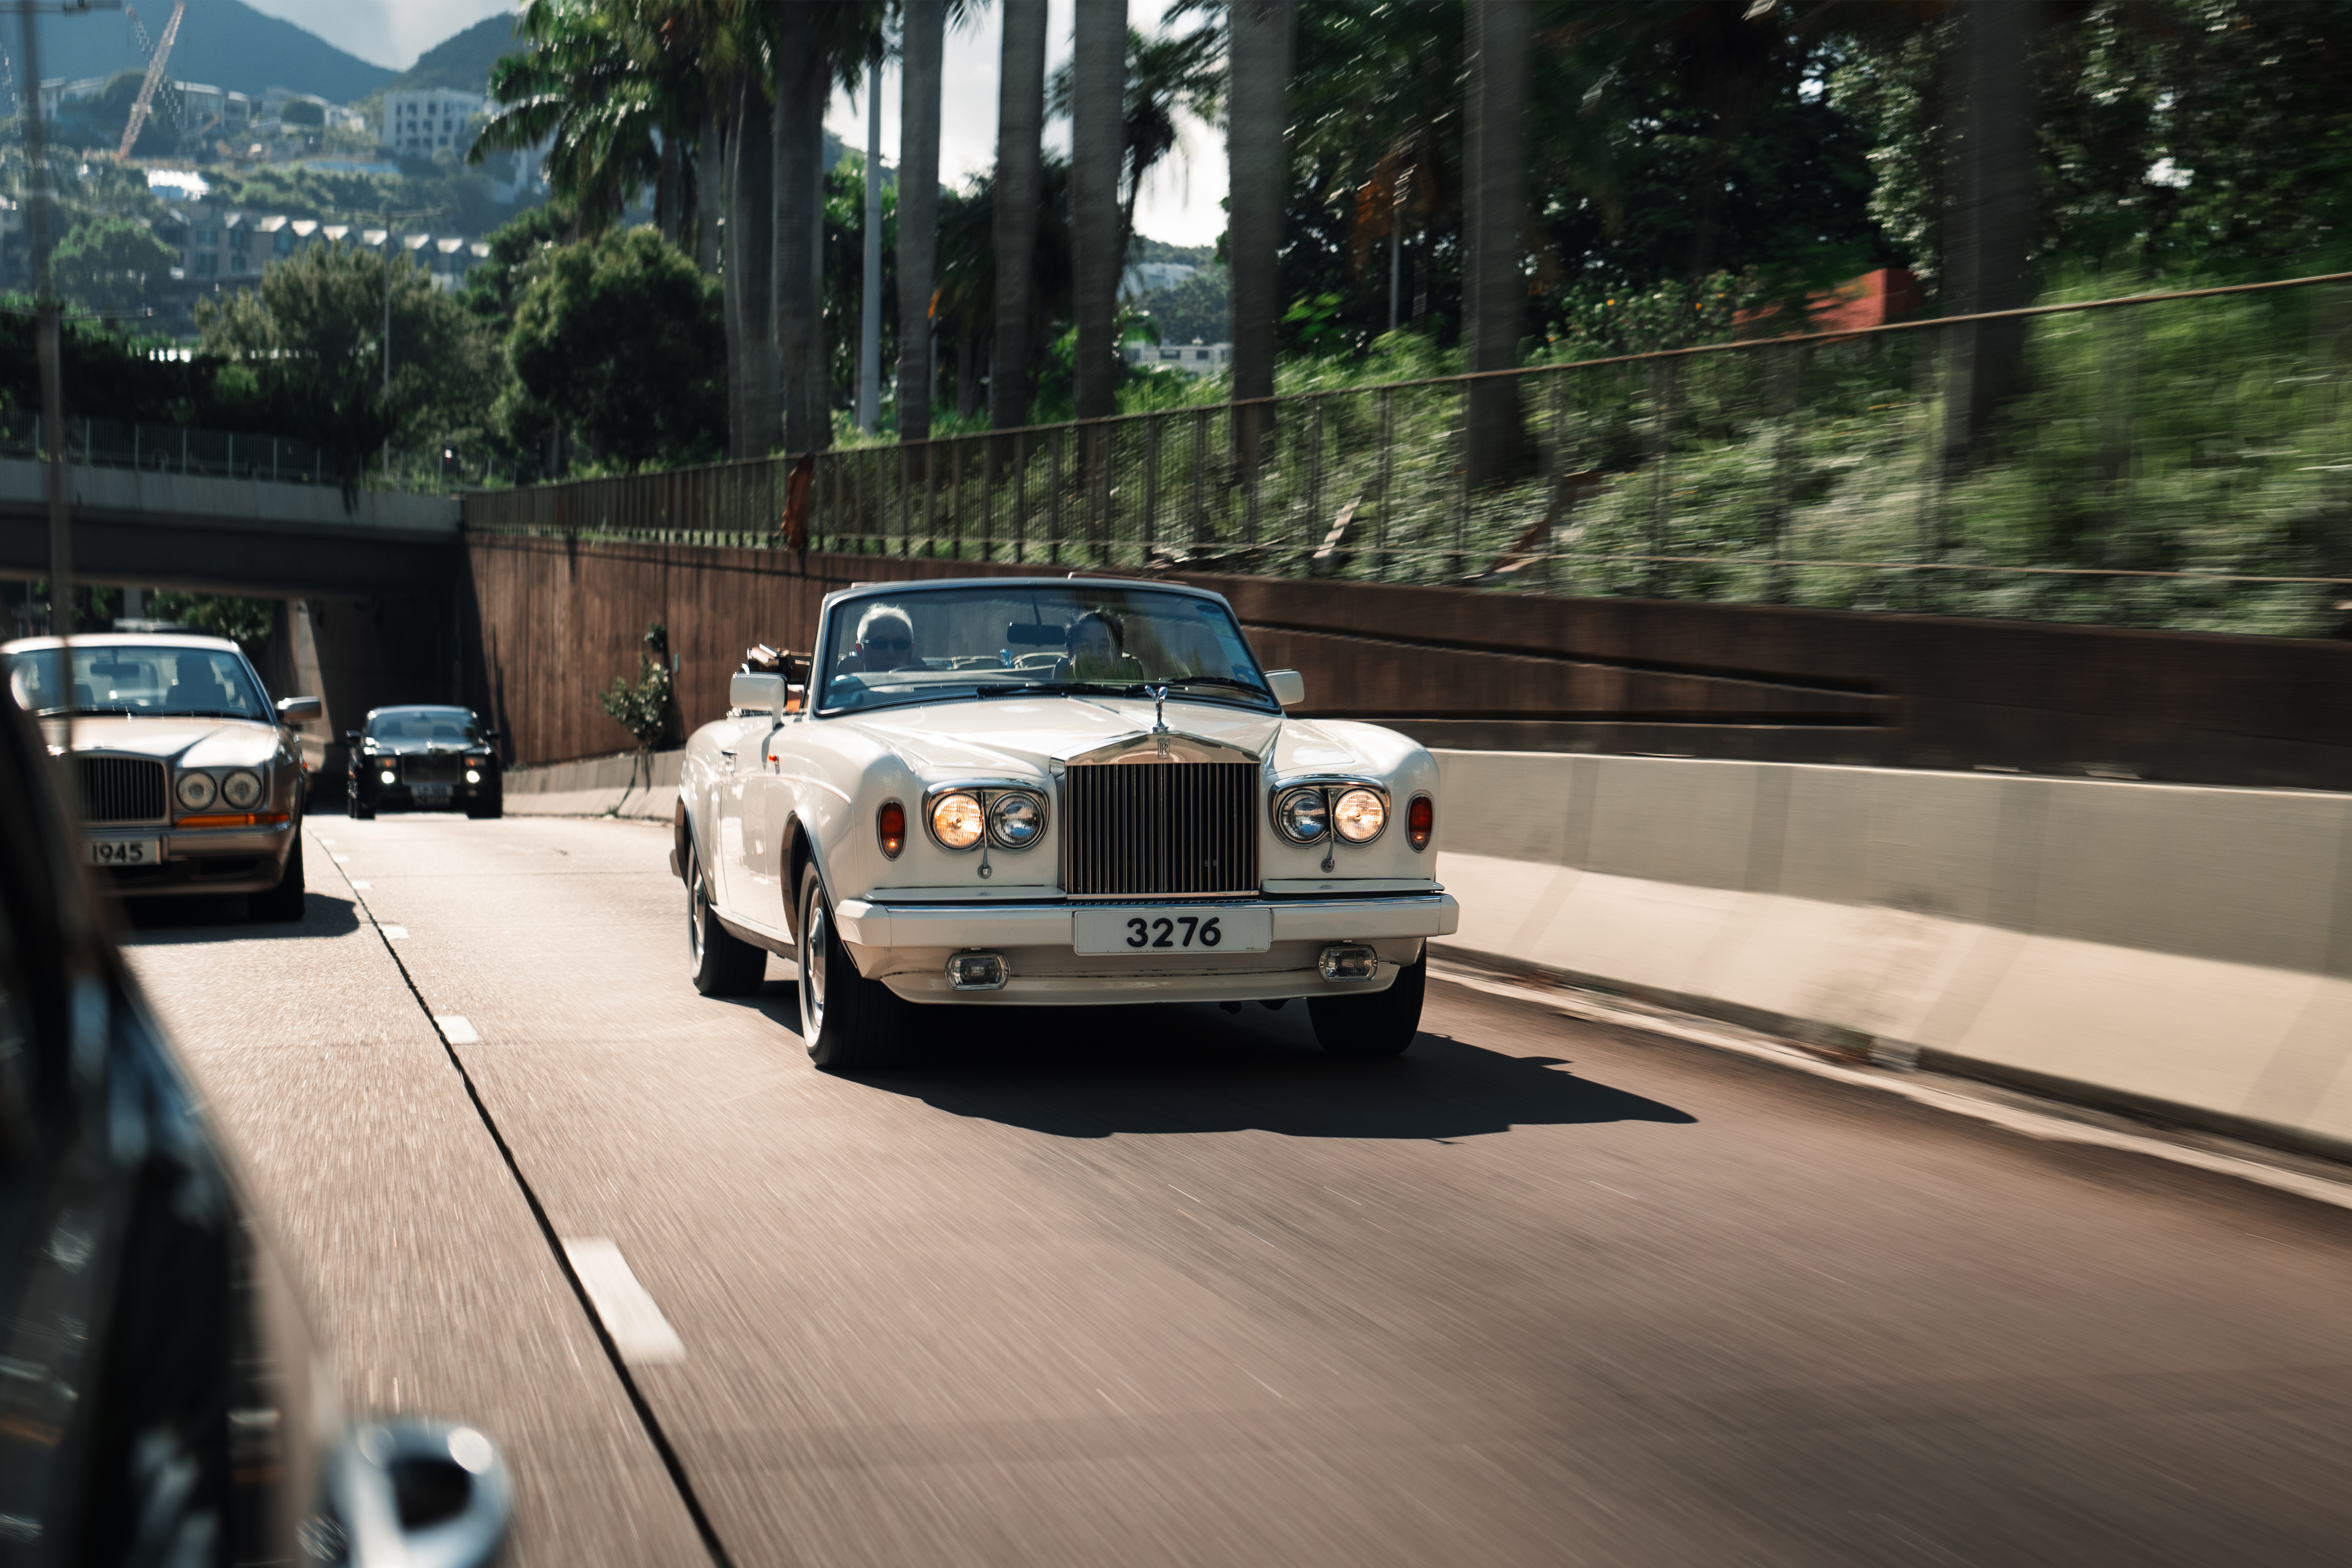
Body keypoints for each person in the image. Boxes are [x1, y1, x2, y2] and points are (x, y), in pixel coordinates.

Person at [1058, 611, 1144, 681]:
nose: (1095, 655)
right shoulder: (1052, 702)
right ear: (1070, 655)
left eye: (1104, 646)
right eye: (1086, 647)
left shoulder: (1143, 700)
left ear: (1119, 654)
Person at [841, 604, 922, 674]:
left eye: (901, 645)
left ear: (911, 650)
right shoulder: (844, 691)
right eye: (879, 644)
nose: (891, 654)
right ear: (860, 651)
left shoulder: (930, 691)